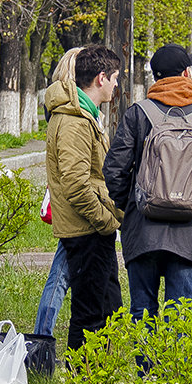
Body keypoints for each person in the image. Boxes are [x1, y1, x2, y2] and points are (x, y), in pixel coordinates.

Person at [103, 44, 192, 320]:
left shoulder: (137, 114)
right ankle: (174, 366)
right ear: (187, 73)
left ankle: (146, 366)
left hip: (142, 232)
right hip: (187, 235)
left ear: (155, 78)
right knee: (180, 316)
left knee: (142, 311)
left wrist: (135, 205)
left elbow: (114, 170)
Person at [45, 44, 123, 352]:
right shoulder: (75, 121)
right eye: (115, 78)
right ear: (101, 78)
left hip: (93, 229)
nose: (117, 85)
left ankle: (96, 383)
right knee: (90, 315)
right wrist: (106, 222)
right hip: (86, 230)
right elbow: (75, 184)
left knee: (109, 309)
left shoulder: (85, 116)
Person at [34, 47, 83, 339]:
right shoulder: (71, 109)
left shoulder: (55, 102)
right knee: (60, 274)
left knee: (64, 271)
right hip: (74, 199)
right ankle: (42, 337)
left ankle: (44, 334)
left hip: (64, 193)